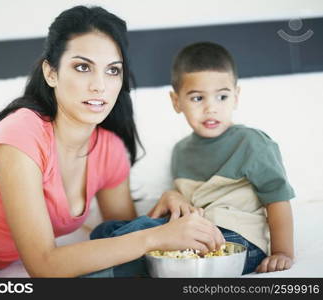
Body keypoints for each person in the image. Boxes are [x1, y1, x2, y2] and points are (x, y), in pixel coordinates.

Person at [0, 6, 224, 278]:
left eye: (112, 71)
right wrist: (155, 237)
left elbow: (120, 237)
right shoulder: (22, 132)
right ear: (51, 73)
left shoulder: (109, 149)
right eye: (83, 67)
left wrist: (163, 210)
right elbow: (43, 266)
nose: (99, 85)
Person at [91, 41, 295, 276]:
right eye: (198, 98)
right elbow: (184, 211)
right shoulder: (181, 151)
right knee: (106, 229)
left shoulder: (252, 143)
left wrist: (282, 252)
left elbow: (278, 199)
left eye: (222, 97)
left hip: (237, 239)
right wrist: (174, 198)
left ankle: (104, 265)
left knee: (138, 233)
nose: (211, 108)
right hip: (191, 232)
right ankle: (109, 256)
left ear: (236, 97)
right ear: (176, 101)